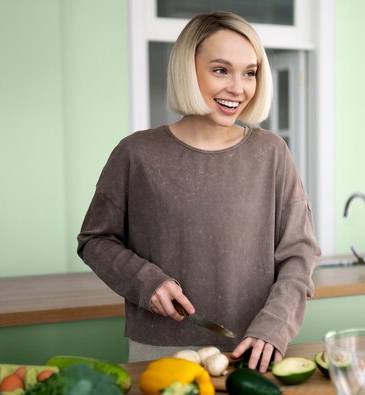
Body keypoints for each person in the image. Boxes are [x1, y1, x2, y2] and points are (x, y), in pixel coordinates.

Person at [77, 11, 321, 373]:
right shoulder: (136, 154)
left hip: (253, 349)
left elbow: (299, 254)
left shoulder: (272, 153)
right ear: (187, 70)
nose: (238, 88)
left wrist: (274, 327)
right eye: (221, 70)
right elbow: (95, 239)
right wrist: (147, 282)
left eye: (249, 72)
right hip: (159, 350)